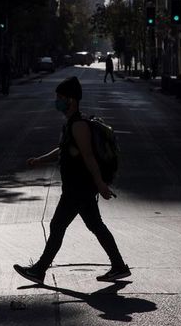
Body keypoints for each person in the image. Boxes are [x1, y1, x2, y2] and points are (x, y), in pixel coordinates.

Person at [14, 76, 130, 284]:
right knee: (96, 226)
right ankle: (119, 266)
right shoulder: (71, 124)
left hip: (78, 188)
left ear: (72, 100)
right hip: (79, 188)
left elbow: (88, 156)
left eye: (60, 97)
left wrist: (101, 184)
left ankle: (39, 270)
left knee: (58, 226)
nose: (57, 101)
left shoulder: (78, 125)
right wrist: (40, 160)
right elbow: (64, 149)